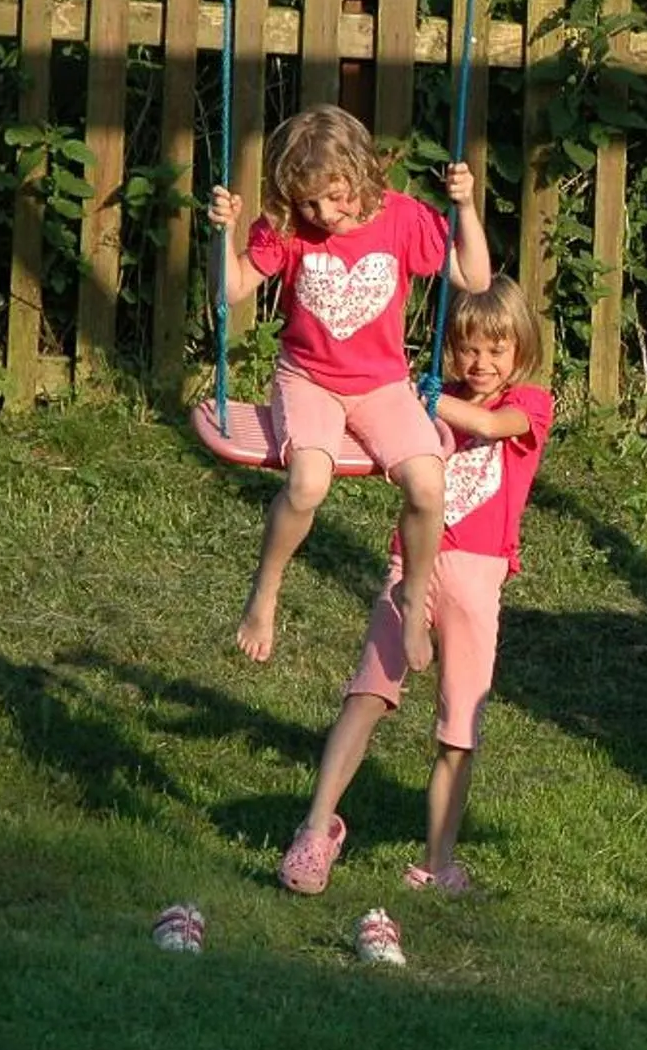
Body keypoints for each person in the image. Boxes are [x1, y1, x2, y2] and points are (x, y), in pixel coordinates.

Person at [277, 279, 554, 896]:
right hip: (413, 569)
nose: (479, 363)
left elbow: (488, 421)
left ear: (521, 352)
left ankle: (438, 864)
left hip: (478, 583)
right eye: (466, 351)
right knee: (368, 692)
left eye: (495, 351)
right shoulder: (421, 407)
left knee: (459, 730)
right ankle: (316, 829)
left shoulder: (533, 404)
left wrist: (420, 398)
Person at [204, 105, 490, 667]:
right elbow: (230, 290)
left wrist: (465, 206)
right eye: (309, 201)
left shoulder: (404, 218)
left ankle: (413, 595)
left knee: (429, 483)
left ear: (362, 174)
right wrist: (224, 234)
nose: (323, 213)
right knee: (309, 481)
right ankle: (266, 591)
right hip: (308, 379)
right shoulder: (289, 225)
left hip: (383, 384)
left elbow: (474, 278)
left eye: (334, 196)